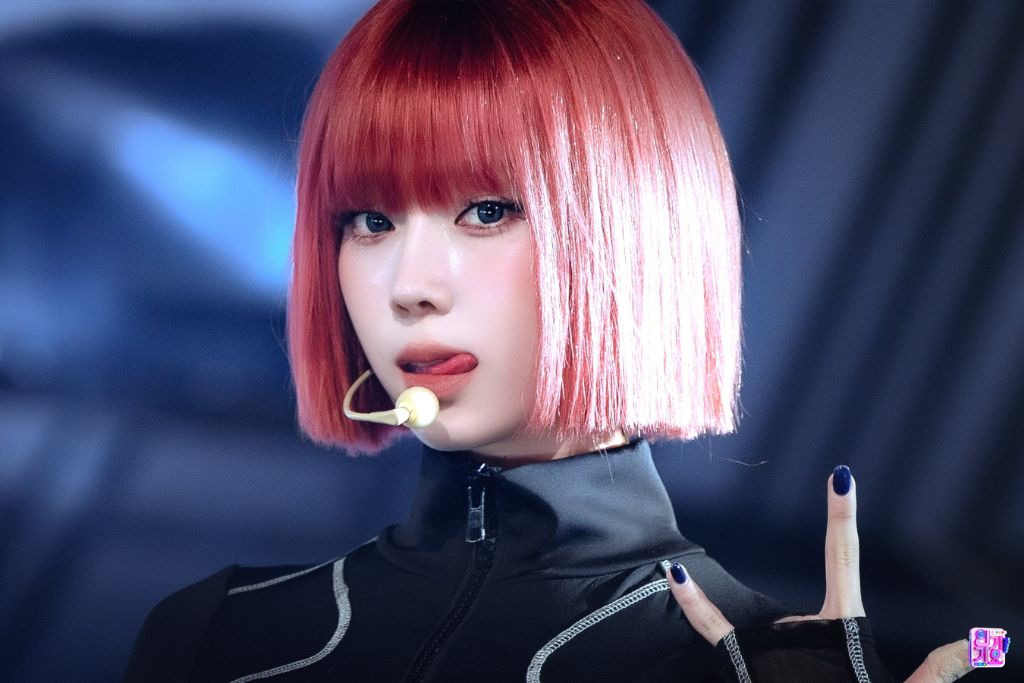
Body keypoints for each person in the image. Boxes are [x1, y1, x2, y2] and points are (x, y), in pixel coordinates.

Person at [123, 1, 979, 681]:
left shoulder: (750, 666)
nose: (410, 285)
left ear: (632, 232)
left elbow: (994, 646)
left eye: (487, 210)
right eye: (371, 220)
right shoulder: (216, 633)